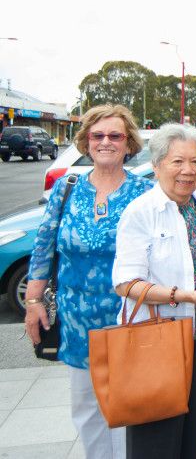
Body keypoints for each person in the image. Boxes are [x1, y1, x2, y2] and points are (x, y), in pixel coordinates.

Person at [24, 104, 152, 458]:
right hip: (78, 322)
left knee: (128, 409)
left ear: (129, 144)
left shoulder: (146, 193)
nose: (106, 142)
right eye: (98, 135)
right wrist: (33, 302)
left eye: (115, 135)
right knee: (87, 410)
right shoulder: (67, 189)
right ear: (85, 143)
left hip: (128, 317)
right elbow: (43, 246)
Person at [112, 124, 196, 459]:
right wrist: (185, 296)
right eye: (178, 161)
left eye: (195, 162)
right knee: (157, 438)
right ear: (157, 164)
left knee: (194, 432)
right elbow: (125, 283)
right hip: (158, 336)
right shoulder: (141, 212)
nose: (188, 170)